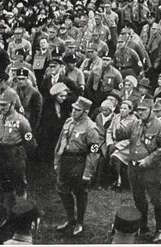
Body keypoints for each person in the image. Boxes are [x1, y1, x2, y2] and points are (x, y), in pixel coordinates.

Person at [115, 97, 161, 243]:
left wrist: (147, 160)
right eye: (138, 110)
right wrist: (119, 123)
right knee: (138, 198)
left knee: (156, 200)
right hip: (133, 167)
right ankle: (143, 225)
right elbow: (121, 135)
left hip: (151, 169)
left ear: (152, 110)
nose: (140, 113)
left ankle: (160, 229)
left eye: (143, 110)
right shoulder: (135, 123)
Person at [54, 96, 100, 236]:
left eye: (77, 109)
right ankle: (70, 218)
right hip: (65, 161)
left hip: (79, 162)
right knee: (62, 189)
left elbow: (94, 153)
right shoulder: (69, 121)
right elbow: (60, 141)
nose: (73, 111)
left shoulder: (91, 128)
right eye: (73, 108)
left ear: (85, 112)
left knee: (80, 193)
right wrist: (56, 160)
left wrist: (87, 172)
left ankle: (79, 222)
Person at [0, 89, 37, 224]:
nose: (1, 107)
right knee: (6, 186)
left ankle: (23, 219)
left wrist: (21, 156)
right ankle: (10, 216)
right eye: (0, 104)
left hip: (15, 156)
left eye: (4, 105)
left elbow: (31, 143)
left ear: (13, 103)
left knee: (19, 188)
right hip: (1, 155)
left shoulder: (22, 121)